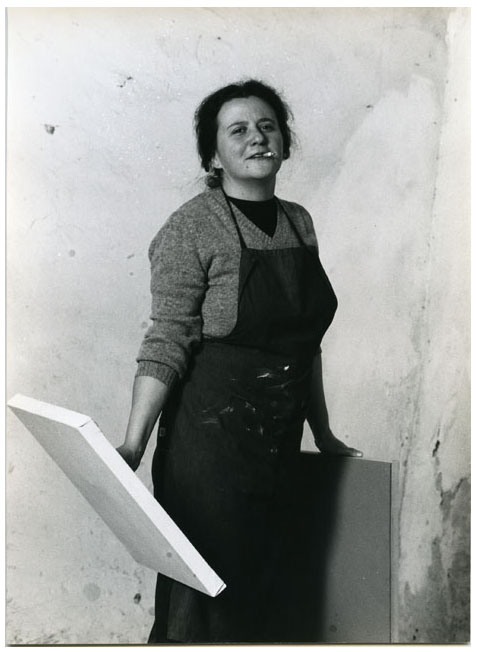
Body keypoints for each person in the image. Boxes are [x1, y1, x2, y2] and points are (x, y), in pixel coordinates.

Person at [117, 79, 362, 644]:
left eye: (268, 126)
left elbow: (304, 343)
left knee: (270, 595)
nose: (257, 138)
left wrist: (322, 432)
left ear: (285, 144)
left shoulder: (299, 222)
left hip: (278, 443)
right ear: (213, 156)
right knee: (206, 603)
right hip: (209, 449)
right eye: (239, 130)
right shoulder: (192, 226)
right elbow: (167, 340)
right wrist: (132, 444)